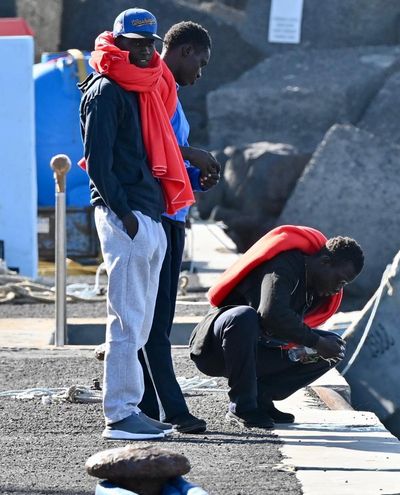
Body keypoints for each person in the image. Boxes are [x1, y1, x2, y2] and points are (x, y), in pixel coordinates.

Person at [80, 7, 194, 441]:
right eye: (136, 43)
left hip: (148, 214)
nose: (146, 50)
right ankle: (120, 415)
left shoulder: (139, 87)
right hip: (127, 215)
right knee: (126, 321)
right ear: (118, 43)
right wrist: (125, 216)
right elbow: (99, 164)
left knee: (140, 323)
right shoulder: (105, 90)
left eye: (150, 42)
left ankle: (132, 409)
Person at [189, 226, 363, 428]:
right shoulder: (284, 265)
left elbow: (288, 330)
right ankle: (242, 406)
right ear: (325, 262)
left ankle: (261, 397)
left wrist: (321, 345)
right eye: (339, 281)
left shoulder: (316, 289)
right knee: (244, 316)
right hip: (216, 348)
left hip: (260, 351)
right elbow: (271, 314)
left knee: (334, 348)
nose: (337, 289)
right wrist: (316, 341)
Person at [136, 20, 220, 435]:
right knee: (156, 317)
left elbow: (168, 156)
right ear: (184, 51)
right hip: (159, 218)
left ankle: (149, 404)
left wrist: (194, 170)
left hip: (172, 214)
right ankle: (172, 409)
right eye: (200, 64)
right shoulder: (157, 88)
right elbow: (147, 143)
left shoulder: (170, 93)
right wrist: (194, 155)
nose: (199, 74)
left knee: (157, 315)